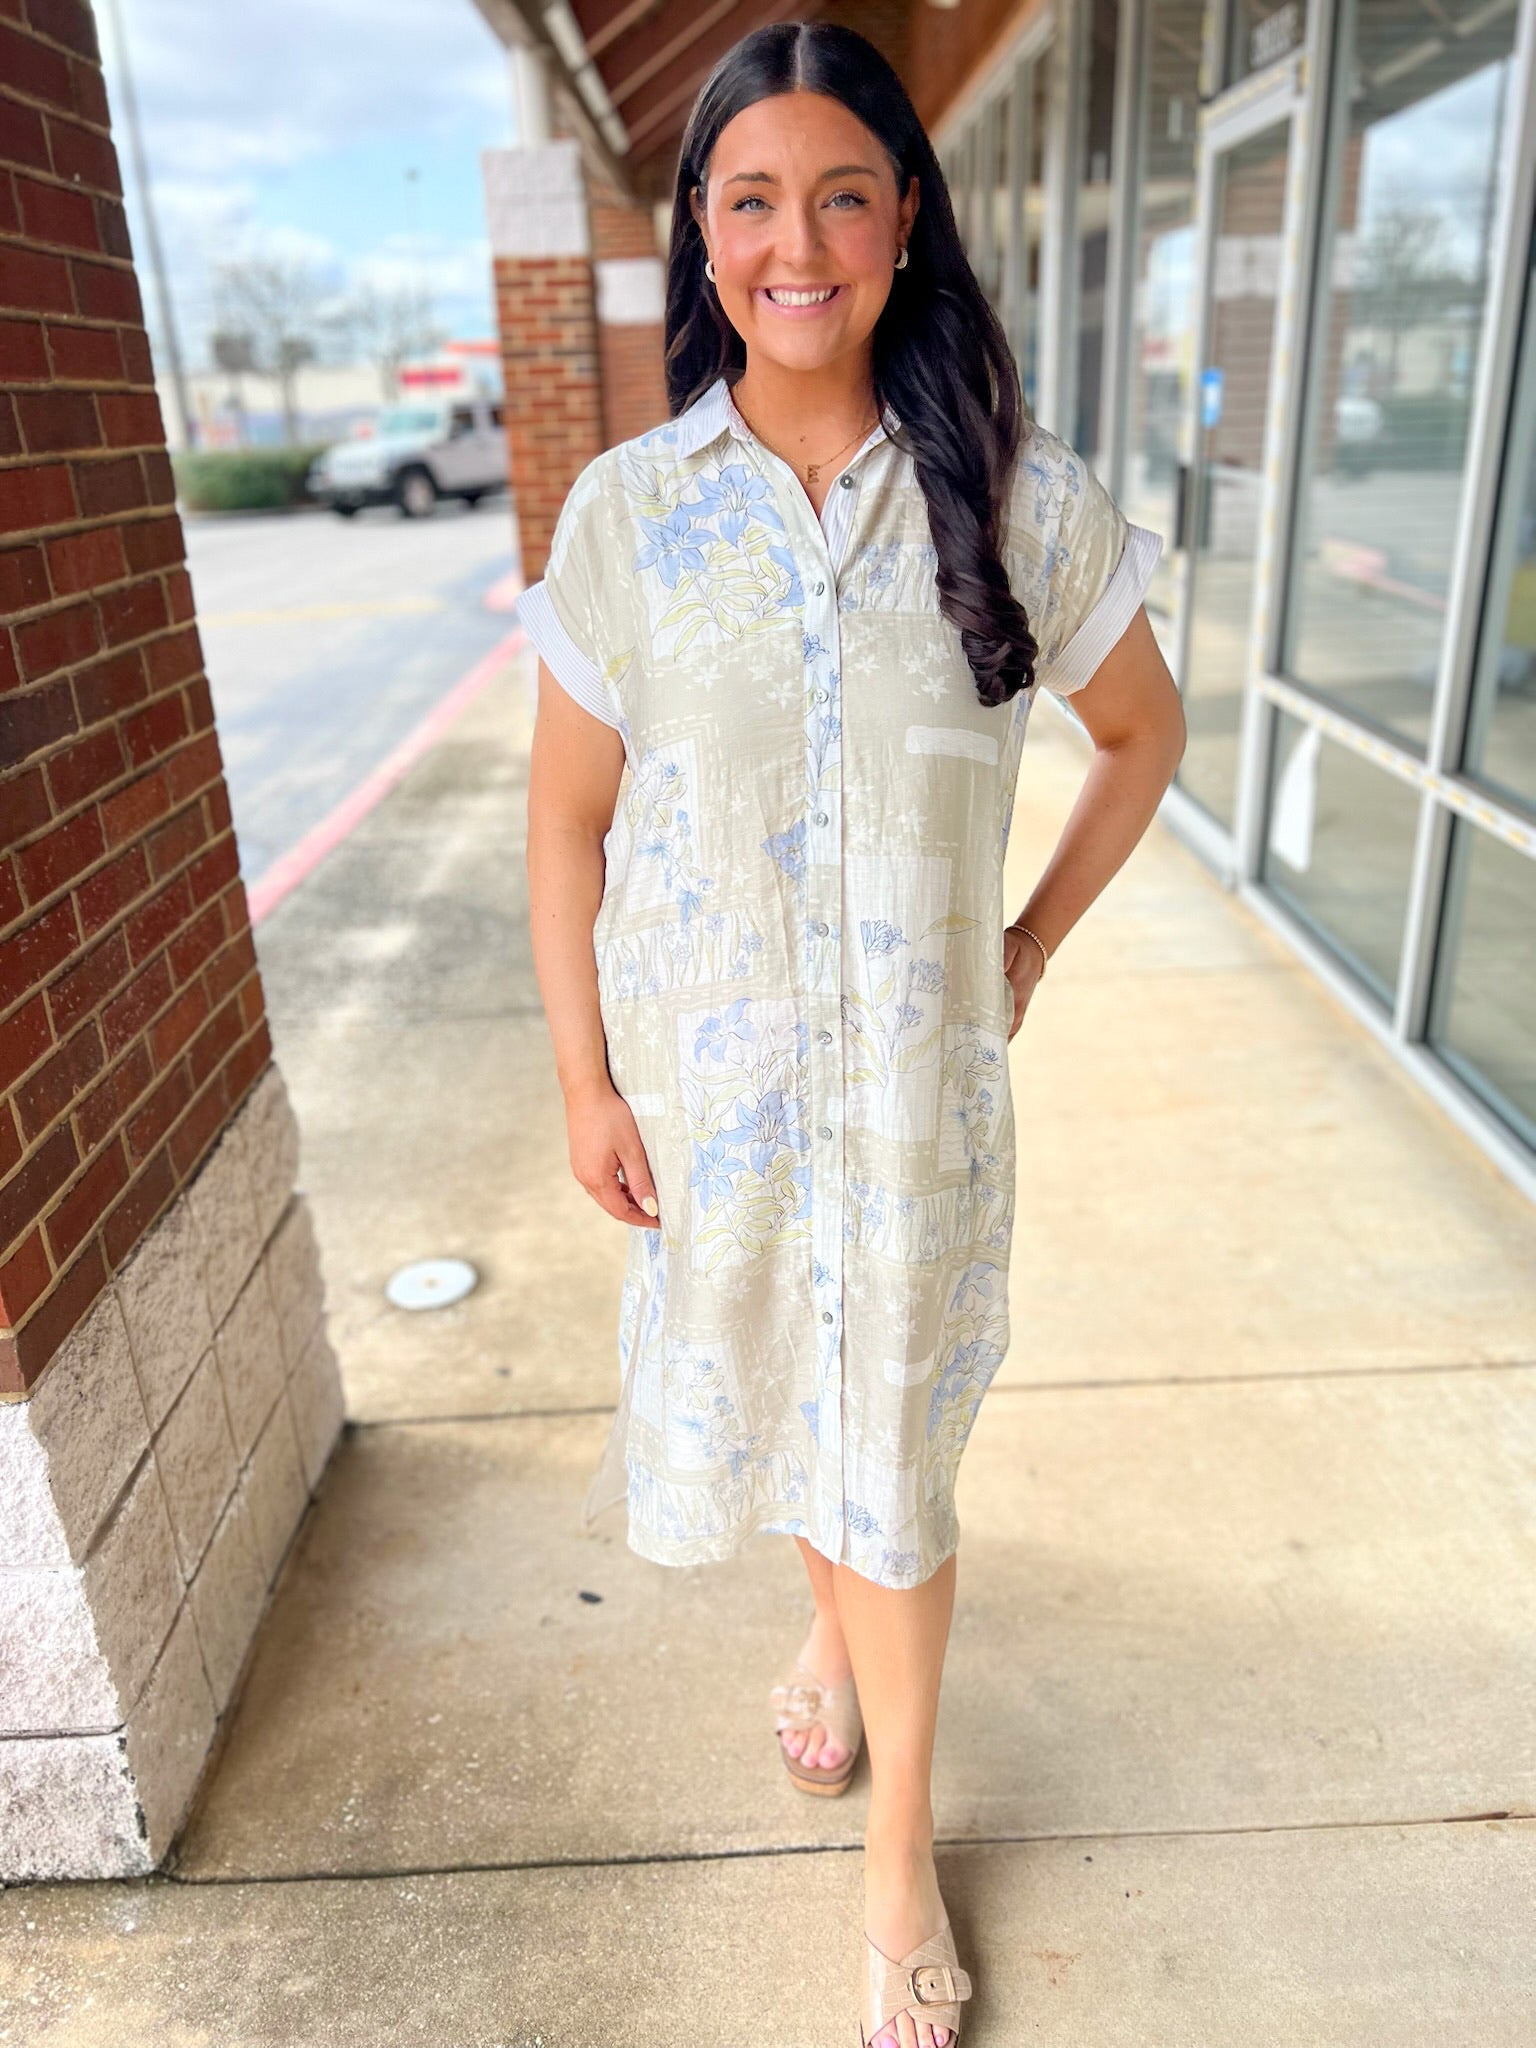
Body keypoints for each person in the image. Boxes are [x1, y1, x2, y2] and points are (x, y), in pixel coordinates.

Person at [519, 22, 1186, 2046]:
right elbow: (564, 816)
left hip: (912, 1117)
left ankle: (898, 1855)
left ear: (905, 219)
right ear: (699, 236)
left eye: (839, 192)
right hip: (725, 1118)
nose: (793, 240)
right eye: (749, 198)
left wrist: (1028, 942)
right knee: (812, 1432)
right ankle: (821, 1640)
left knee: (896, 1469)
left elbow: (1143, 736)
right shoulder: (631, 517)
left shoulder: (1014, 493)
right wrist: (583, 1074)